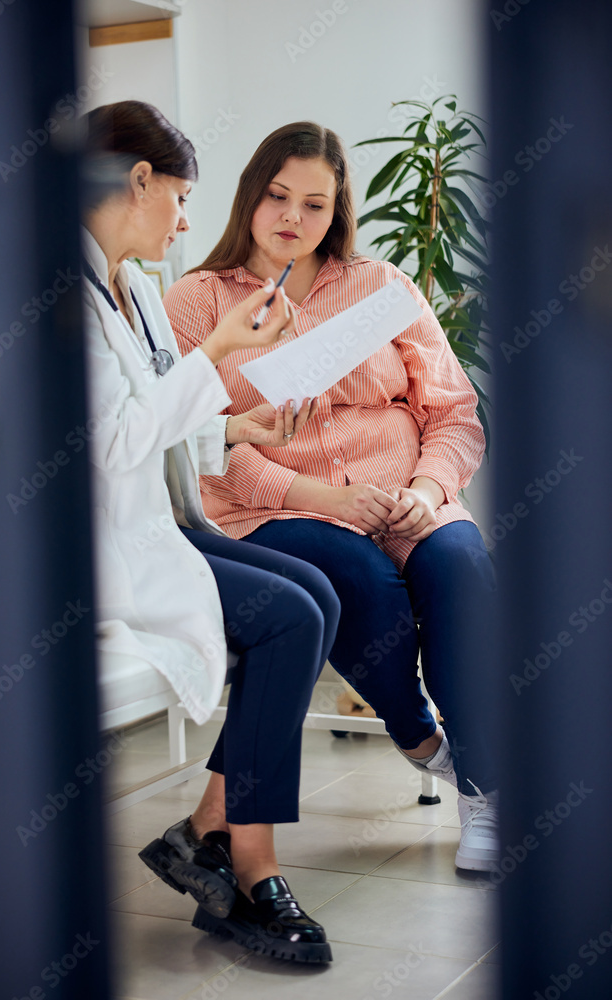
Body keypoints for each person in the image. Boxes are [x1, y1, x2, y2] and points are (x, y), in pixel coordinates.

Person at [164, 121, 499, 872]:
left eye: (314, 204)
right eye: (277, 196)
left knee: (459, 567)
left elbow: (451, 412)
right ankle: (424, 741)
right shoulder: (197, 301)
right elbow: (206, 446)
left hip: (404, 495)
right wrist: (327, 497)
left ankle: (484, 789)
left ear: (337, 209)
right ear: (250, 196)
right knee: (357, 578)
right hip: (276, 507)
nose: (292, 217)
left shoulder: (382, 287)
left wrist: (424, 489)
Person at [81, 101, 341, 964]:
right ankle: (246, 865)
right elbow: (114, 437)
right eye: (180, 197)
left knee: (317, 595)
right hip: (110, 549)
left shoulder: (140, 289)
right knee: (290, 617)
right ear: (137, 180)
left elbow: (164, 421)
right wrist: (218, 350)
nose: (188, 220)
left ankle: (205, 829)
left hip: (165, 521)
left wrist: (239, 431)